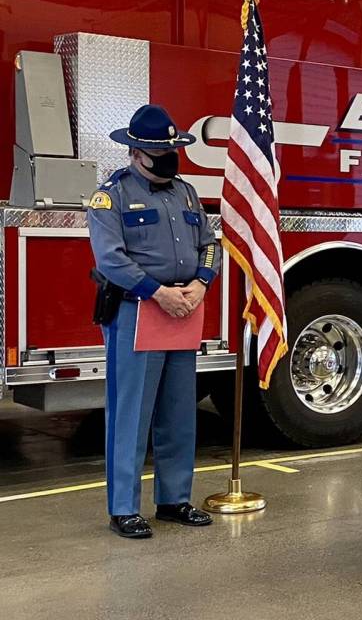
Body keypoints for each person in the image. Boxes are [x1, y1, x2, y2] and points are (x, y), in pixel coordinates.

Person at [87, 104, 221, 538]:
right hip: (138, 311)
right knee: (131, 414)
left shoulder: (185, 193)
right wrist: (158, 292)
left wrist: (201, 283)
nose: (168, 158)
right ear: (135, 153)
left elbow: (210, 244)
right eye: (157, 152)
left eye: (171, 150)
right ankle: (124, 508)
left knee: (179, 412)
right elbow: (110, 259)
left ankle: (174, 499)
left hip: (183, 310)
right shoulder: (112, 195)